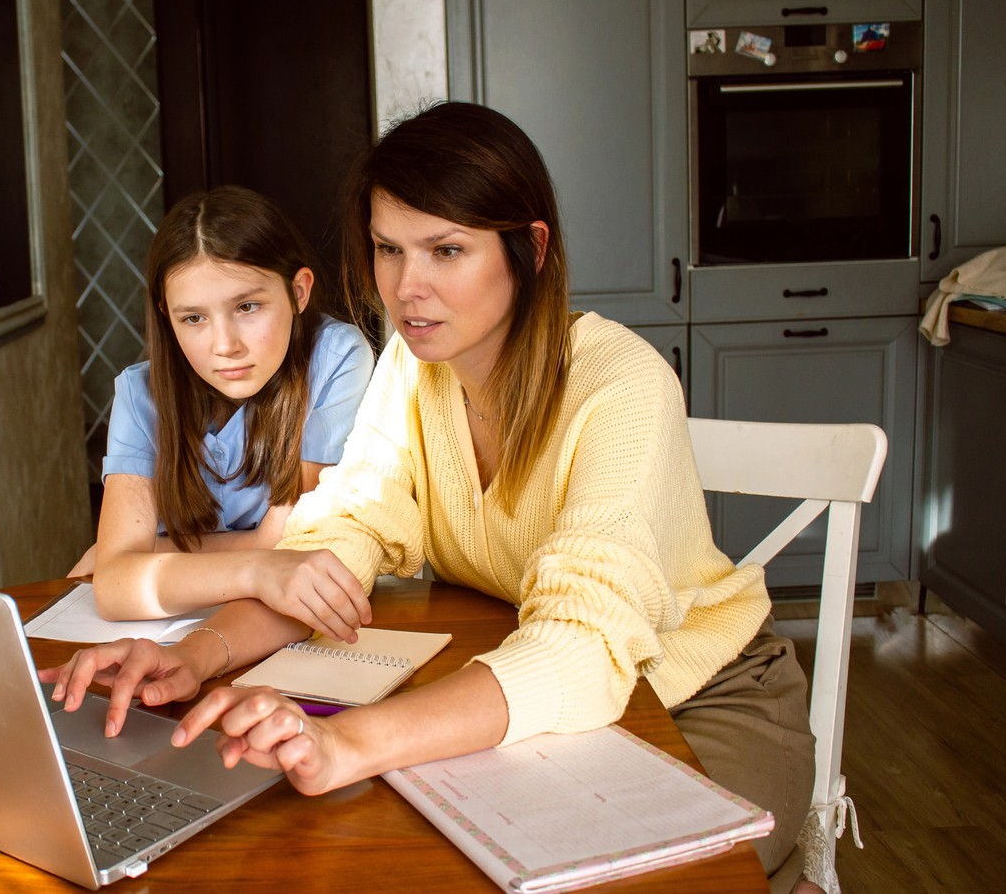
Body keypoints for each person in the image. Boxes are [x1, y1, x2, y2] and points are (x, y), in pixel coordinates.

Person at [41, 104, 820, 894]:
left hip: (701, 697)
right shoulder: (414, 371)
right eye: (388, 250)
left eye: (446, 250)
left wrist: (347, 743)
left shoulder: (621, 383)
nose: (408, 289)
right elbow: (334, 549)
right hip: (545, 702)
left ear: (531, 249)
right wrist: (192, 656)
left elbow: (581, 650)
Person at [67, 185, 374, 638]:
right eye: (193, 318)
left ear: (299, 292)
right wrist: (254, 566)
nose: (225, 345)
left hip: (286, 631)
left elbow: (284, 542)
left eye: (247, 307)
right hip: (171, 636)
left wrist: (153, 550)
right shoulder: (141, 393)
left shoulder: (337, 359)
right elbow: (112, 589)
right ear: (166, 317)